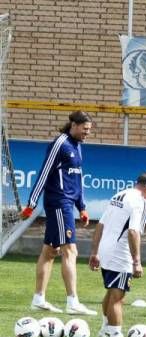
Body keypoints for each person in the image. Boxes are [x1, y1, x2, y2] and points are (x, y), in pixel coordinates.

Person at [22, 110, 96, 315]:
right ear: (74, 124)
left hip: (68, 204)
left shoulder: (78, 146)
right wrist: (32, 203)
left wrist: (82, 206)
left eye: (89, 130)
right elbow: (44, 173)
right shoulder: (60, 144)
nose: (87, 133)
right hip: (58, 203)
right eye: (85, 129)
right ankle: (73, 302)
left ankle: (38, 299)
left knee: (50, 252)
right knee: (70, 251)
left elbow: (78, 178)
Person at [89, 172, 146, 337]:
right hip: (120, 254)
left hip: (106, 250)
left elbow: (100, 225)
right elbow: (133, 232)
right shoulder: (141, 202)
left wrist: (95, 252)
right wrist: (136, 261)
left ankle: (106, 326)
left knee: (111, 291)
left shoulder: (119, 195)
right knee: (118, 296)